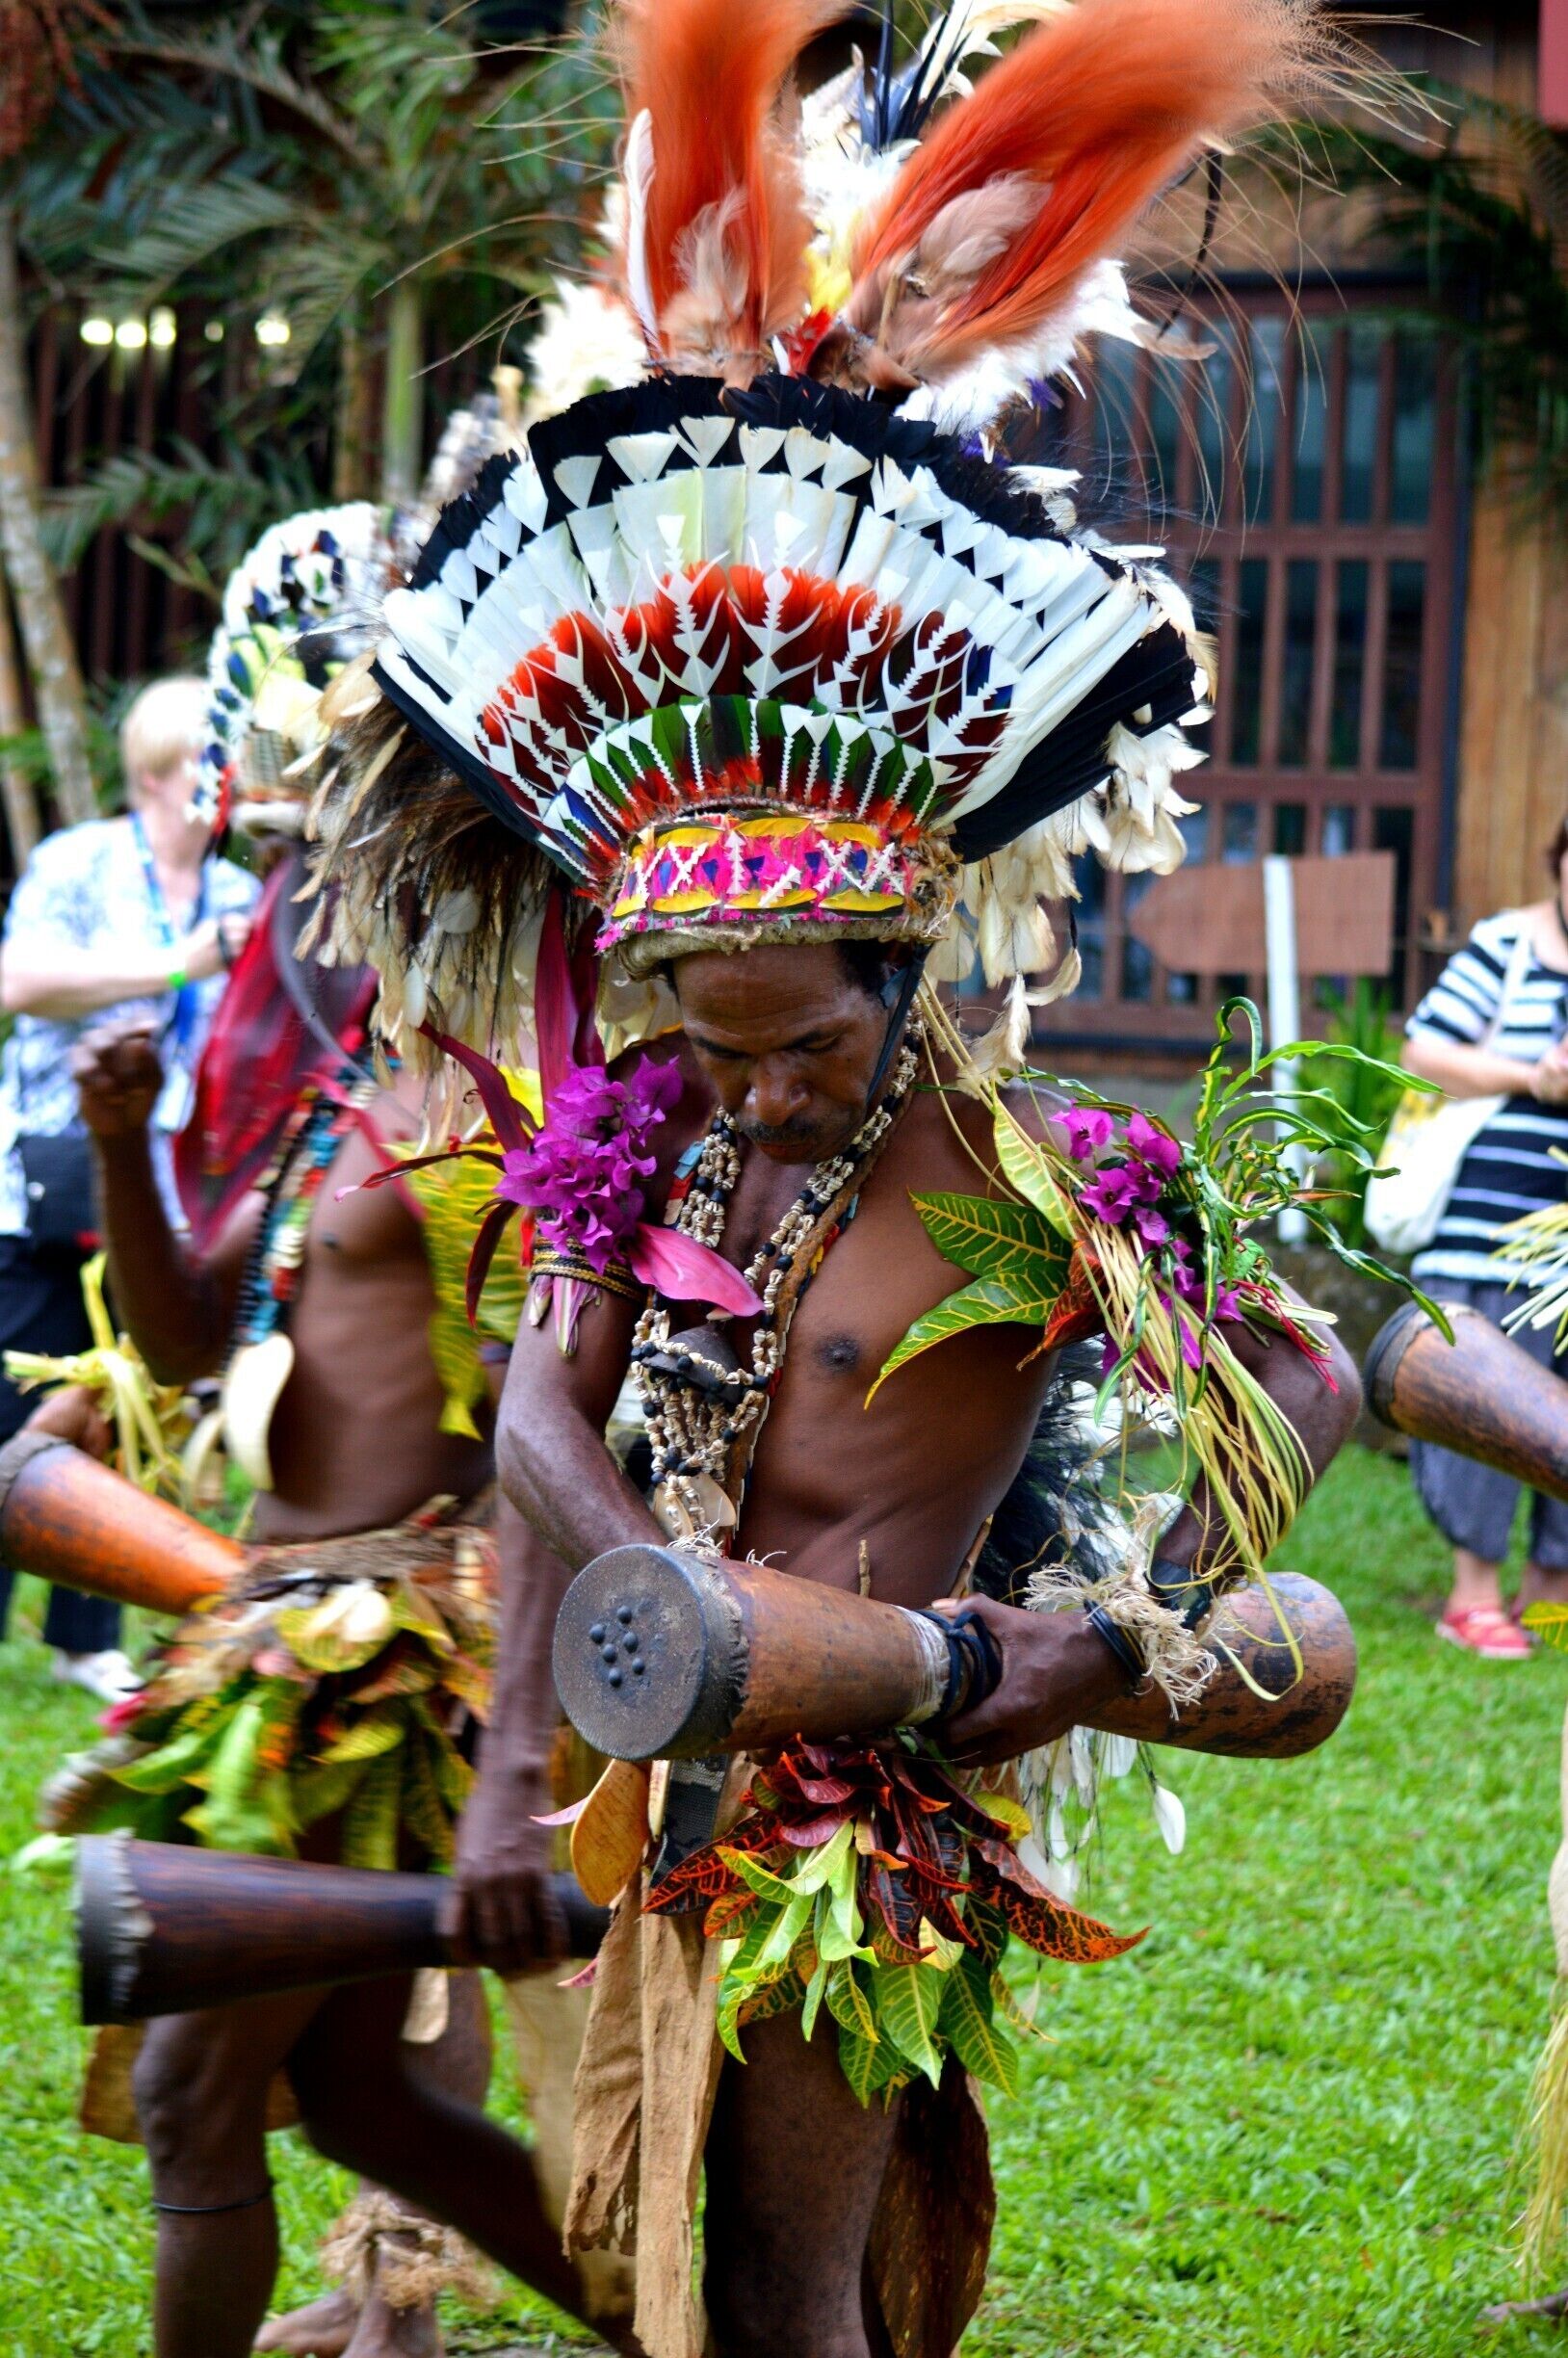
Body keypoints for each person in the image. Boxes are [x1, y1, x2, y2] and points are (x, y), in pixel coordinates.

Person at [300, 5, 1376, 2349]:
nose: (749, 1092)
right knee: (620, 2236)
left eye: (795, 1048)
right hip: (636, 1749)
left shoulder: (1042, 1186)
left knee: (784, 2271)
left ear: (901, 986)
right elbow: (530, 1419)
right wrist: (611, 1650)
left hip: (856, 1809)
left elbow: (1288, 1376)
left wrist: (1103, 1634)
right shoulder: (637, 1139)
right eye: (706, 1038)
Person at [64, 507, 630, 2358]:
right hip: (273, 1613)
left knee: (190, 2105)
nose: (319, 860)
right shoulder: (346, 1080)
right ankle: (681, 2325)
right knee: (374, 2107)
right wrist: (135, 1154)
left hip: (385, 1635)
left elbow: (556, 1387)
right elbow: (186, 1325)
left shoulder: (533, 1092)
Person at [0, 675, 254, 1698]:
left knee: (128, 1402)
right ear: (154, 774)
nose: (221, 786)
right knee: (17, 1388)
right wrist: (170, 967)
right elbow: (21, 984)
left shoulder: (241, 894)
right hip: (51, 1175)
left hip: (163, 1196)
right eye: (206, 764)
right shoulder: (79, 861)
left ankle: (83, 1631)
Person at [1401, 816, 1568, 1658]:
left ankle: (1551, 1592)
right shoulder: (1509, 945)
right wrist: (1532, 1075)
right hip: (1490, 1231)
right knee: (1489, 1396)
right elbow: (1425, 1050)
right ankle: (1473, 1595)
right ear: (1557, 863)